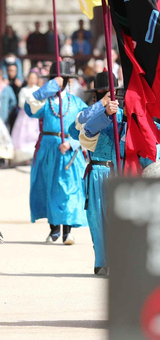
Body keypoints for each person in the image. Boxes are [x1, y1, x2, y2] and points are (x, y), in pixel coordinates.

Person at [24, 60, 87, 244]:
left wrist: (72, 142)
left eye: (62, 79)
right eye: (55, 78)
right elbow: (29, 107)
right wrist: (50, 87)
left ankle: (67, 231)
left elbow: (87, 127)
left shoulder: (76, 103)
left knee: (68, 189)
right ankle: (54, 230)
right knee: (49, 187)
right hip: (47, 149)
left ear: (69, 80)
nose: (60, 82)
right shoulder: (45, 102)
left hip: (69, 150)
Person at [69, 72, 121, 276]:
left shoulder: (122, 114)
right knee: (96, 219)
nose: (108, 94)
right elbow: (75, 130)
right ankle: (101, 261)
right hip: (96, 170)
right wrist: (102, 107)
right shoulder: (87, 113)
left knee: (116, 218)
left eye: (111, 92)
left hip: (116, 171)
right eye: (103, 92)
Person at [11, 70, 41, 164]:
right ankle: (25, 157)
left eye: (34, 78)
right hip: (25, 115)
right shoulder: (23, 90)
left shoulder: (39, 89)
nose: (32, 80)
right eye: (30, 78)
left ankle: (35, 155)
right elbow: (21, 103)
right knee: (23, 135)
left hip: (36, 115)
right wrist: (30, 104)